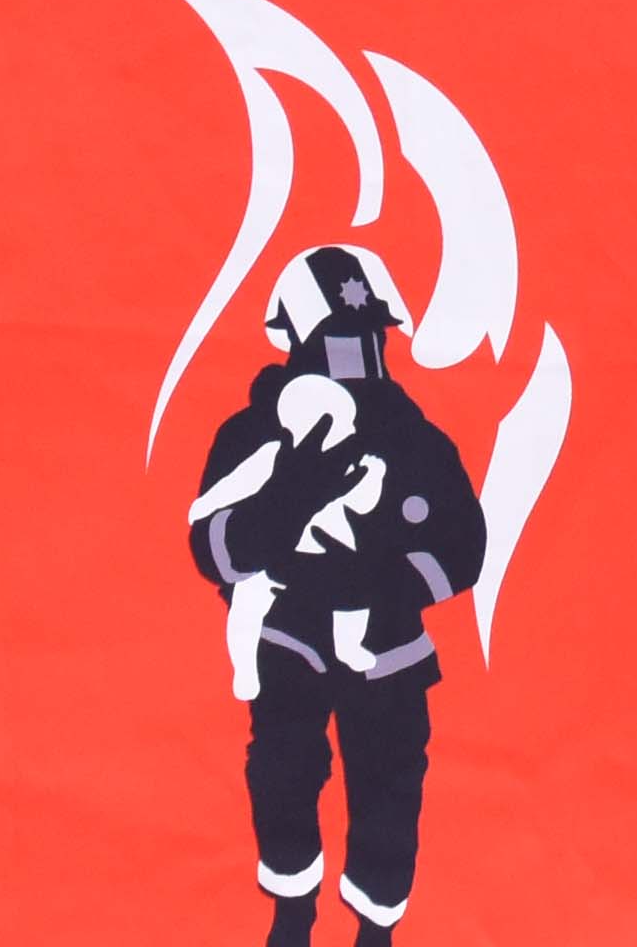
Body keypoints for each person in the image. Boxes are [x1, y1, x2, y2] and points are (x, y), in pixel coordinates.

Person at [184, 243, 488, 945]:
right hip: (286, 642)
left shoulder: (418, 441)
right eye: (335, 343)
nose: (355, 359)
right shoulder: (252, 436)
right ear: (294, 342)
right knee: (283, 775)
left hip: (389, 654)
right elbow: (213, 549)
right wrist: (288, 497)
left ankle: (376, 928)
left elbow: (464, 544)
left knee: (389, 793)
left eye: (367, 340)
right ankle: (292, 913)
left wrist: (388, 585)